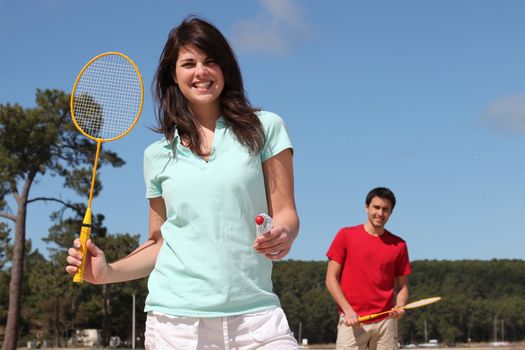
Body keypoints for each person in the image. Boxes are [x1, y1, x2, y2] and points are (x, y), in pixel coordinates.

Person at [66, 16, 300, 350]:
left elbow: (287, 213)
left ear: (226, 68)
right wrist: (107, 272)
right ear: (173, 75)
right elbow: (161, 243)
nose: (200, 72)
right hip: (175, 325)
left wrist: (283, 234)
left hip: (257, 319)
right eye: (189, 63)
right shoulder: (157, 155)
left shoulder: (267, 128)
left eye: (210, 61)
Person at [325, 187, 411, 350]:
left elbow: (403, 286)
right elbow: (331, 279)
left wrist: (400, 305)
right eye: (376, 207)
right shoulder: (345, 235)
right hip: (353, 320)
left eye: (385, 209)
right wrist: (347, 311)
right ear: (366, 207)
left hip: (386, 323)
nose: (380, 213)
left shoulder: (399, 245)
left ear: (391, 212)